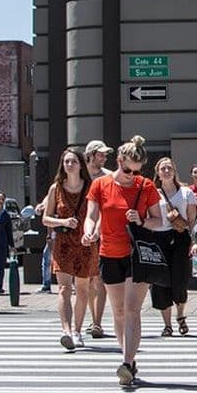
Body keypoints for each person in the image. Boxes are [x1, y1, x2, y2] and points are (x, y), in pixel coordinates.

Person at [82, 136, 162, 385]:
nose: (131, 175)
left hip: (136, 255)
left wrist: (140, 220)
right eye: (127, 169)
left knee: (131, 309)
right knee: (117, 311)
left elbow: (158, 220)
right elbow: (92, 215)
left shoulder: (145, 186)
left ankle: (127, 362)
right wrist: (90, 231)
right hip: (109, 252)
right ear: (119, 161)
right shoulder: (100, 184)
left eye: (136, 171)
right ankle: (128, 356)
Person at [42, 148, 99, 350]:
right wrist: (63, 221)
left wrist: (93, 233)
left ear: (80, 164)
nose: (69, 165)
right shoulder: (55, 188)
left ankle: (77, 330)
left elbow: (97, 215)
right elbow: (45, 218)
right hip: (64, 243)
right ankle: (66, 331)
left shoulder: (91, 187)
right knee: (65, 289)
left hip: (85, 242)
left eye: (73, 161)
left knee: (82, 289)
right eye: (66, 162)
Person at [152, 157, 197, 337]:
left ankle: (180, 315)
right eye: (163, 168)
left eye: (169, 168)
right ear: (158, 173)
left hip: (181, 238)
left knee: (180, 279)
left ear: (175, 171)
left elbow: (192, 220)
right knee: (160, 282)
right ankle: (167, 324)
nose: (166, 171)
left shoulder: (186, 192)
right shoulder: (153, 193)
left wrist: (194, 241)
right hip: (159, 238)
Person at [84, 139, 113, 339]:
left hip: (103, 232)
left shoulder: (108, 177)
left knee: (99, 278)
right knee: (86, 279)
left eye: (105, 155)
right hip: (80, 231)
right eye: (100, 154)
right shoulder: (79, 174)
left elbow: (105, 208)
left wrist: (98, 229)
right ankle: (92, 317)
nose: (103, 157)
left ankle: (97, 322)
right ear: (91, 155)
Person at [34, 198, 53, 294]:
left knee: (47, 261)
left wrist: (49, 235)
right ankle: (46, 285)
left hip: (55, 235)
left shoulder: (54, 197)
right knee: (47, 261)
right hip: (57, 234)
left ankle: (46, 285)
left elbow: (50, 219)